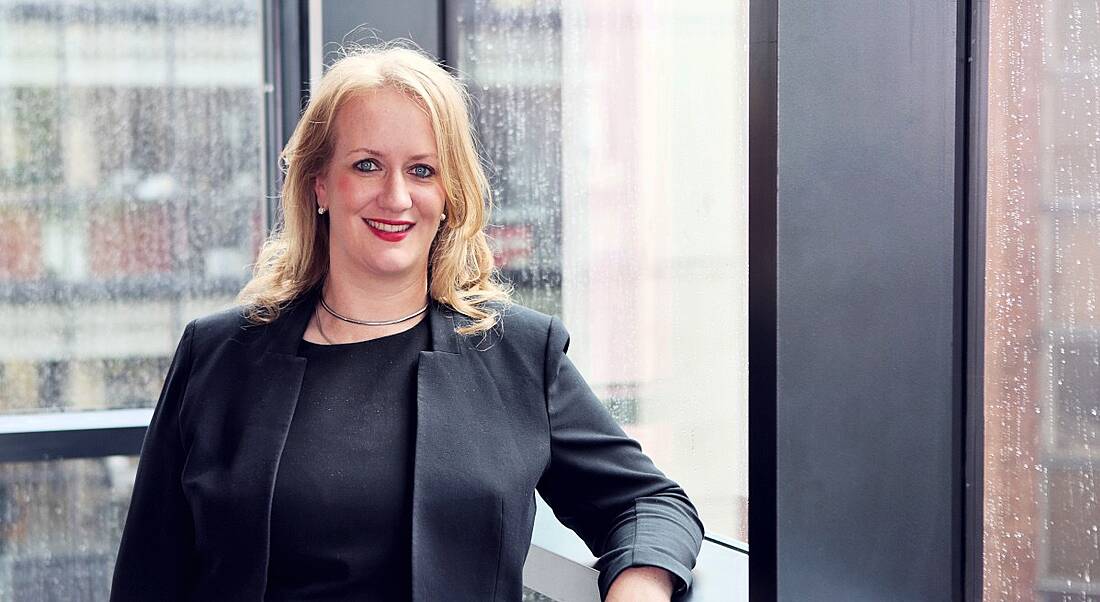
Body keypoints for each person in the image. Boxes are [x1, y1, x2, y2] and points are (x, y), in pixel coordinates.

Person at [109, 43, 704, 602]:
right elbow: (147, 574)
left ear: (449, 193)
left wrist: (640, 588)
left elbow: (647, 503)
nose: (395, 197)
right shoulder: (216, 356)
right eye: (367, 165)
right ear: (319, 185)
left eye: (422, 170)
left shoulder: (519, 353)